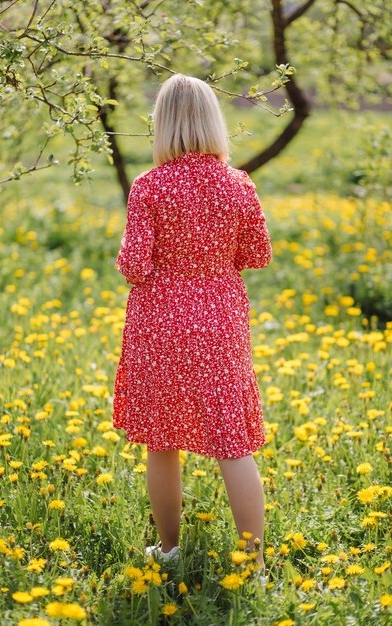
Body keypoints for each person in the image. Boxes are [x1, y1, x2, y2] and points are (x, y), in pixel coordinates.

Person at [112, 73, 272, 578]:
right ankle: (254, 563)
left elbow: (134, 266)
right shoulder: (238, 184)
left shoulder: (148, 187)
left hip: (159, 323)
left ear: (161, 125)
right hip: (220, 322)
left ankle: (170, 549)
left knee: (162, 439)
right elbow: (257, 255)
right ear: (213, 122)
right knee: (232, 442)